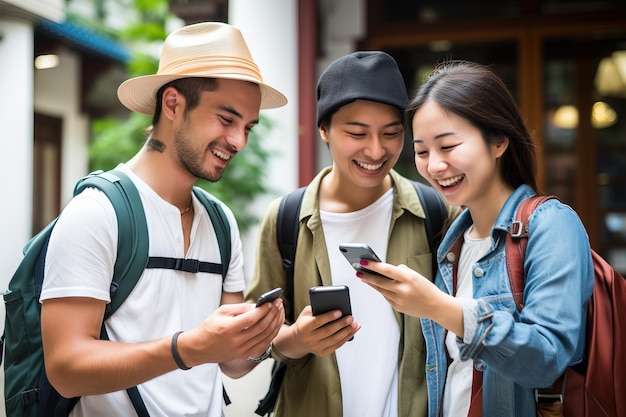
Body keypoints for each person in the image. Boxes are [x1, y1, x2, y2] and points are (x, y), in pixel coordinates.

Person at [40, 22, 286, 417]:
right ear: (172, 104)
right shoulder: (97, 213)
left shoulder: (220, 222)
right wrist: (189, 347)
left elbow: (232, 364)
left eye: (247, 128)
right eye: (226, 120)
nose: (239, 141)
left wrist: (268, 337)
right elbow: (66, 369)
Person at [357, 61, 595, 417]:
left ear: (498, 141)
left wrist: (439, 307)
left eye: (448, 146)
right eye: (422, 151)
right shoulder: (452, 241)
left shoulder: (552, 225)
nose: (434, 166)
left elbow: (547, 359)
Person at [245, 51, 461, 417]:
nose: (376, 151)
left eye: (391, 133)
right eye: (357, 133)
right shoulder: (285, 219)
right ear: (324, 129)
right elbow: (258, 339)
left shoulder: (436, 212)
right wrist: (298, 338)